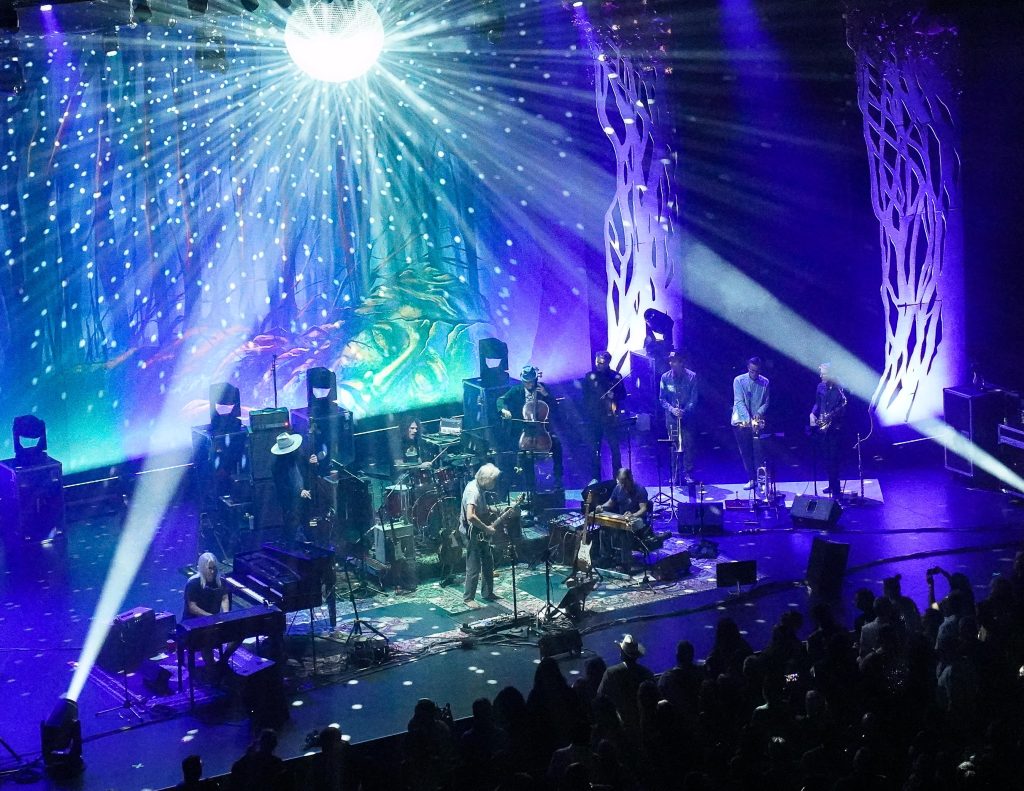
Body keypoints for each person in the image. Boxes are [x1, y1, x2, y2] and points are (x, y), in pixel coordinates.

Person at [497, 365, 563, 489]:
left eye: (531, 381)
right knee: (524, 453)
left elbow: (555, 407)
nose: (529, 384)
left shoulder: (543, 388)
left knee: (557, 444)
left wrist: (546, 395)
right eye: (526, 382)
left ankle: (558, 479)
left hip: (542, 431)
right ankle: (530, 486)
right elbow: (501, 400)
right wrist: (504, 410)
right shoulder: (516, 390)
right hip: (523, 430)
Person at [183, 552, 238, 673]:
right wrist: (211, 617)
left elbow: (224, 597)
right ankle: (211, 667)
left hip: (214, 622)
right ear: (203, 568)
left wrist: (225, 614)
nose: (212, 571)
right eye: (210, 568)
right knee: (207, 638)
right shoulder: (193, 583)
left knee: (239, 632)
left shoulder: (220, 581)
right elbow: (192, 607)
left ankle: (223, 661)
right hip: (193, 625)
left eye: (214, 568)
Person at [460, 463, 503, 609]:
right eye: (493, 480)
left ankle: (487, 593)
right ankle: (468, 598)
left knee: (488, 562)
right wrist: (487, 528)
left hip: (479, 532)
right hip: (471, 533)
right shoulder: (473, 491)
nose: (495, 483)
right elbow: (470, 516)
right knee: (473, 566)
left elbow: (480, 509)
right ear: (486, 479)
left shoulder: (478, 487)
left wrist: (493, 510)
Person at [582, 351, 626, 482]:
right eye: (597, 362)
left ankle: (617, 477)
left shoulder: (615, 376)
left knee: (615, 449)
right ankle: (595, 477)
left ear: (607, 362)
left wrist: (614, 395)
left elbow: (623, 395)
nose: (598, 365)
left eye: (601, 363)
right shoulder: (589, 376)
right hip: (595, 418)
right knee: (595, 450)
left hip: (611, 418)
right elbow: (585, 397)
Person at [597, 634, 654, 735]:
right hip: (647, 726)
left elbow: (600, 696)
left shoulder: (611, 673)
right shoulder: (647, 673)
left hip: (622, 727)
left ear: (622, 653)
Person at [595, 467, 651, 569]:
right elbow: (610, 502)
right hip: (623, 519)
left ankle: (626, 562)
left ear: (630, 478)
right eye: (621, 482)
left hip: (638, 521)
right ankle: (606, 557)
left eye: (625, 481)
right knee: (603, 529)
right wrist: (602, 507)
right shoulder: (618, 488)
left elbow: (643, 509)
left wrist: (633, 515)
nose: (623, 485)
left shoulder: (640, 489)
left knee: (624, 532)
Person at [269, 430, 321, 542]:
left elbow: (308, 472)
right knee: (292, 526)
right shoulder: (277, 466)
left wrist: (314, 463)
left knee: (308, 522)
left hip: (306, 497)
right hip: (290, 501)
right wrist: (299, 492)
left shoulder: (300, 455)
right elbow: (282, 487)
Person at [659, 351, 698, 485]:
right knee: (673, 446)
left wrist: (684, 410)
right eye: (670, 361)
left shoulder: (692, 377)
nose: (671, 363)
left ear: (681, 362)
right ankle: (674, 474)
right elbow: (662, 399)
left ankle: (688, 473)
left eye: (674, 361)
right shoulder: (665, 377)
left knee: (689, 445)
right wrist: (672, 409)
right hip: (672, 418)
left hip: (687, 417)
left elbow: (694, 398)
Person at [809, 362, 847, 498]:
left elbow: (843, 407)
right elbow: (817, 403)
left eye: (824, 374)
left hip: (835, 427)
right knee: (826, 458)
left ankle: (836, 488)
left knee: (834, 458)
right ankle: (831, 484)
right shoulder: (820, 386)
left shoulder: (839, 387)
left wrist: (832, 416)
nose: (821, 376)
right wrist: (812, 413)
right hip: (823, 427)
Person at [731, 356, 770, 490]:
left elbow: (766, 402)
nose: (754, 374)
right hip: (742, 421)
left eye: (757, 371)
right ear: (748, 368)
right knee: (746, 452)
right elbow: (739, 402)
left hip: (757, 422)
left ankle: (761, 480)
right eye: (752, 371)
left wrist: (759, 413)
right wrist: (749, 420)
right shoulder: (738, 380)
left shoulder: (765, 382)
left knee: (759, 452)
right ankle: (751, 479)